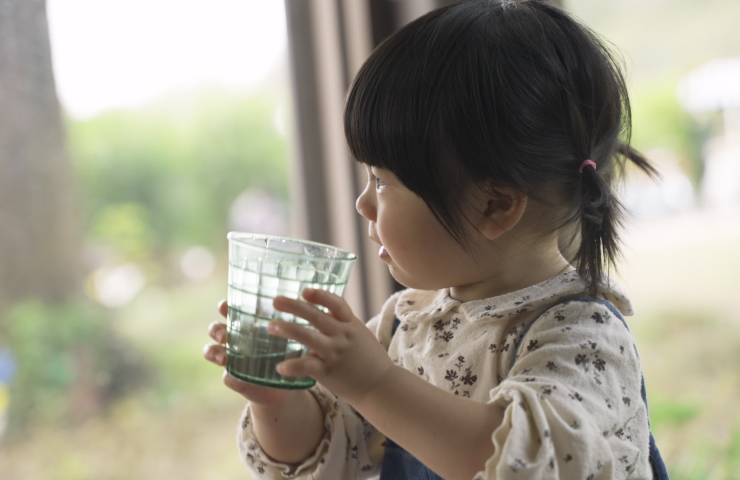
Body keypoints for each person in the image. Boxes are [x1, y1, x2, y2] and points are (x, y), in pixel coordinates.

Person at [204, 0, 668, 478]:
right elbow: (335, 459)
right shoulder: (406, 322)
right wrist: (278, 397)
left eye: (383, 182)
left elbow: (525, 462)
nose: (363, 204)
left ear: (495, 205)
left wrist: (374, 384)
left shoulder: (581, 335)